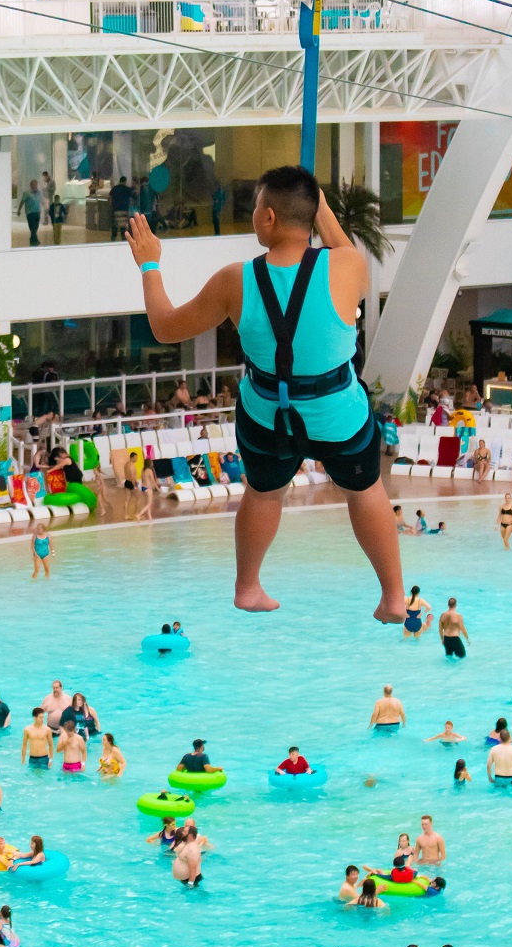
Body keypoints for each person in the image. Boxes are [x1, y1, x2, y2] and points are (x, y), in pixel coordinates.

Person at [127, 166, 405, 619]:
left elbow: (163, 326)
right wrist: (318, 206)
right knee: (365, 488)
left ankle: (248, 587)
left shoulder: (234, 280)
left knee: (264, 492)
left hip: (267, 416)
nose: (253, 215)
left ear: (270, 218)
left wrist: (150, 263)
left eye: (256, 207)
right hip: (336, 412)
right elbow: (339, 247)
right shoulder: (347, 265)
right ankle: (392, 598)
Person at [170, 821, 209, 886]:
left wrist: (190, 884)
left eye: (184, 832)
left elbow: (193, 869)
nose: (182, 832)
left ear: (190, 835)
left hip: (192, 880)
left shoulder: (192, 849)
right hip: (188, 880)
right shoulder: (188, 845)